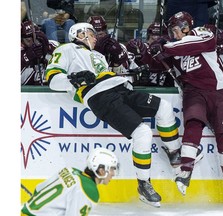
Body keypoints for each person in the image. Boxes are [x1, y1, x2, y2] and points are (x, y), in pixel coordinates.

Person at [45, 22, 184, 207]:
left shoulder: (99, 56)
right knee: (142, 133)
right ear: (79, 33)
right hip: (99, 97)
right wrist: (73, 79)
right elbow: (53, 80)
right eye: (91, 33)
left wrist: (131, 75)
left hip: (121, 89)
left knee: (164, 107)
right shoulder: (68, 49)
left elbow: (106, 75)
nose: (95, 37)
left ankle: (174, 153)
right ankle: (144, 184)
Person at [151, 11, 223, 200]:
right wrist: (152, 50)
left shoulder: (202, 33)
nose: (173, 35)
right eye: (171, 31)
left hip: (217, 92)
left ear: (185, 26)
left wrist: (167, 47)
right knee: (193, 124)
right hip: (193, 93)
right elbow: (152, 63)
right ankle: (185, 171)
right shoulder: (173, 47)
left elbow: (203, 45)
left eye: (175, 30)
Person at [21, 148, 118, 215]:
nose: (113, 173)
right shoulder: (89, 190)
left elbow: (38, 189)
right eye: (112, 169)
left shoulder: (69, 170)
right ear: (101, 170)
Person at [126, 22, 175, 87]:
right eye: (154, 34)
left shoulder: (168, 49)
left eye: (159, 35)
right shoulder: (140, 47)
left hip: (166, 87)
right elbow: (132, 66)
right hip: (143, 87)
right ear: (150, 34)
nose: (156, 37)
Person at [21, 20, 58, 85]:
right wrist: (26, 58)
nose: (32, 42)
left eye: (35, 38)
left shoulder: (53, 45)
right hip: (28, 93)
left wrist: (45, 51)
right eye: (28, 40)